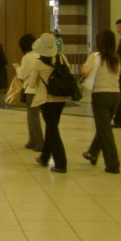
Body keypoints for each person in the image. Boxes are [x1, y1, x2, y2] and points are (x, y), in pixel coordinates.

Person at [28, 33, 71, 173]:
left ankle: (61, 163)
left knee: (53, 130)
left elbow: (32, 83)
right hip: (61, 98)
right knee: (51, 127)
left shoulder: (38, 63)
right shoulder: (61, 58)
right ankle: (45, 157)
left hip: (47, 100)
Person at [81, 29, 121, 174]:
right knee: (103, 127)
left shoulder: (95, 56)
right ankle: (92, 152)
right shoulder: (116, 58)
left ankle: (113, 164)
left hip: (101, 95)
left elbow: (85, 71)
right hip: (116, 95)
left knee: (105, 131)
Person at [14, 33, 44, 152]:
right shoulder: (39, 55)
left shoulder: (27, 57)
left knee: (33, 116)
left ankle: (39, 142)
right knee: (32, 115)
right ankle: (32, 140)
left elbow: (22, 74)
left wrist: (16, 68)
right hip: (40, 89)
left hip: (31, 90)